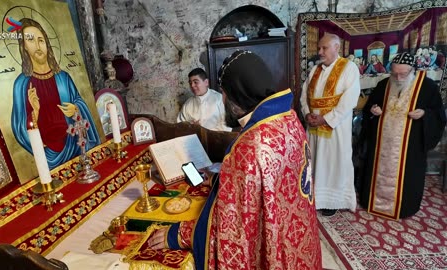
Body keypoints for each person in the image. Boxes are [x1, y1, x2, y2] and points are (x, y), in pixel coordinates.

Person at [148, 51, 321, 269]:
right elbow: (263, 185)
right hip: (298, 246)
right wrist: (219, 180)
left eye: (224, 93)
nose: (223, 99)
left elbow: (232, 228)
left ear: (237, 94)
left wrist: (179, 234)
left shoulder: (251, 144)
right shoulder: (289, 120)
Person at [360, 52, 446, 219]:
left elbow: (438, 115)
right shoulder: (384, 84)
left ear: (412, 70)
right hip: (381, 145)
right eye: (394, 73)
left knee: (407, 179)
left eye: (403, 74)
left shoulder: (427, 87)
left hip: (409, 147)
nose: (398, 78)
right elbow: (370, 107)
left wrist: (424, 114)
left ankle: (404, 206)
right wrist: (373, 110)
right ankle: (372, 201)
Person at [11, 18, 100, 169]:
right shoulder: (22, 84)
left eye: (41, 40)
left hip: (75, 144)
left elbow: (79, 102)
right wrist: (35, 112)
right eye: (31, 40)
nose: (38, 46)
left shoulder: (63, 78)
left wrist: (76, 109)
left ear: (47, 43)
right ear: (24, 46)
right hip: (47, 155)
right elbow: (19, 127)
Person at [300, 33, 360, 216]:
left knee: (333, 163)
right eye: (319, 48)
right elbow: (305, 95)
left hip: (335, 127)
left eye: (324, 48)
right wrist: (307, 113)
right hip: (314, 126)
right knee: (315, 160)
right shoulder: (315, 70)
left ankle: (331, 201)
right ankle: (315, 196)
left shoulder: (349, 68)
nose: (320, 52)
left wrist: (326, 119)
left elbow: (350, 100)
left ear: (336, 48)